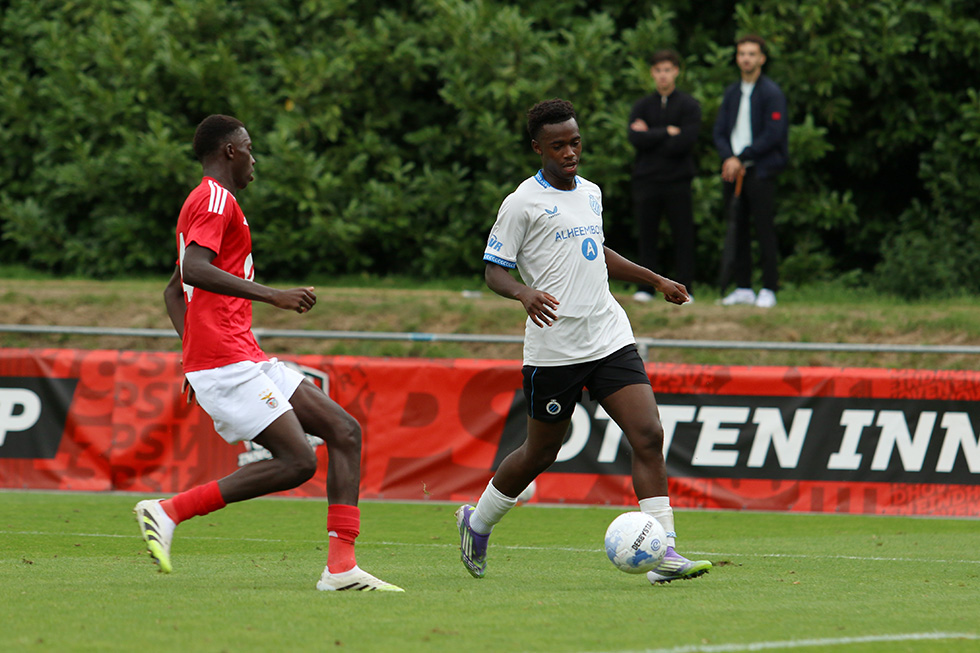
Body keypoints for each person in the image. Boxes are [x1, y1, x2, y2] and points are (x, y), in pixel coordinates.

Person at [135, 114, 402, 592]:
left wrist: (190, 356)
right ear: (230, 151)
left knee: (344, 431)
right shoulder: (215, 199)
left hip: (238, 355)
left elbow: (173, 291)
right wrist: (273, 294)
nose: (254, 157)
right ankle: (169, 510)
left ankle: (341, 568)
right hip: (227, 361)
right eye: (249, 147)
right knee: (298, 461)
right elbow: (194, 271)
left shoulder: (213, 202)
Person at [456, 98, 712, 585]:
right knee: (540, 452)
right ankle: (478, 521)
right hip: (555, 349)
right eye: (559, 146)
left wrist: (655, 279)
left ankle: (664, 553)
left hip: (608, 334)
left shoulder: (591, 192)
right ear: (538, 148)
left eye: (575, 142)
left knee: (649, 434)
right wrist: (523, 292)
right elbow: (493, 269)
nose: (570, 152)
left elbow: (596, 251)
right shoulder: (521, 203)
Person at [712, 34, 788, 308]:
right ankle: (743, 287)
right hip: (734, 171)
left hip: (760, 171)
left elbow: (774, 134)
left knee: (763, 228)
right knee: (737, 226)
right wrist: (729, 158)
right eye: (742, 53)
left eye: (751, 54)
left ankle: (769, 287)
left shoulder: (771, 92)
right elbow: (720, 131)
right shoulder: (732, 92)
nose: (746, 58)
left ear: (762, 59)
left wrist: (742, 157)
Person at [628, 49, 702, 303]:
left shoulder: (689, 105)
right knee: (647, 234)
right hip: (646, 180)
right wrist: (666, 132)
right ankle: (646, 288)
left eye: (667, 70)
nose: (663, 76)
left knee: (682, 235)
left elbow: (685, 142)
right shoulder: (642, 105)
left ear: (676, 72)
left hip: (678, 181)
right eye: (658, 70)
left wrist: (652, 134)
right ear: (652, 73)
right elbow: (635, 139)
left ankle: (685, 287)